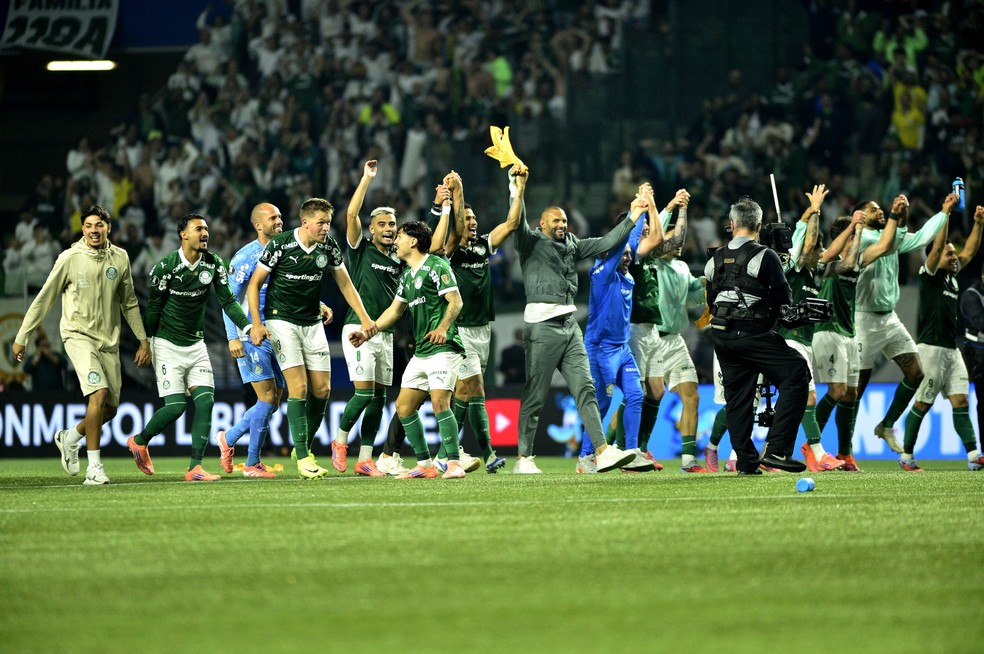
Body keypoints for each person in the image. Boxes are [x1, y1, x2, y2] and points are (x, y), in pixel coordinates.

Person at [13, 206, 151, 485]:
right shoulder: (70, 258)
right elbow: (44, 298)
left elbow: (130, 302)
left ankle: (71, 436)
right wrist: (22, 336)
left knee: (109, 409)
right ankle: (94, 469)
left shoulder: (120, 258)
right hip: (78, 336)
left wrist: (142, 339)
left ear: (108, 228)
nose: (93, 230)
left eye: (99, 224)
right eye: (88, 225)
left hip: (108, 342)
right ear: (83, 229)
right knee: (98, 394)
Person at [248, 198, 377, 479]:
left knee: (322, 391)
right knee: (300, 388)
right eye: (321, 223)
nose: (325, 228)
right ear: (305, 222)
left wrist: (365, 317)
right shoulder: (281, 244)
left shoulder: (328, 246)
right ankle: (304, 457)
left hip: (311, 321)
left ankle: (301, 445)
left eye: (328, 223)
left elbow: (344, 282)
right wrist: (256, 323)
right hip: (281, 319)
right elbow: (254, 283)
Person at [513, 197, 641, 474]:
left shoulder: (573, 245)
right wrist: (518, 190)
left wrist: (634, 215)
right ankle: (524, 458)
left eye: (564, 221)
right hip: (542, 326)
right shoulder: (529, 243)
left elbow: (608, 242)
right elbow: (516, 222)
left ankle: (601, 451)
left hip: (570, 327)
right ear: (542, 223)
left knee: (586, 390)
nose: (562, 224)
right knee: (535, 395)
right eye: (556, 221)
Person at [126, 214, 250, 482]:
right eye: (198, 229)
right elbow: (154, 308)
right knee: (176, 407)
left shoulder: (213, 264)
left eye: (206, 228)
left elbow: (228, 301)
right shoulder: (165, 268)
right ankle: (139, 441)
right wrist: (145, 342)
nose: (205, 233)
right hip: (167, 345)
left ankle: (195, 467)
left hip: (196, 344)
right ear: (183, 234)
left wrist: (247, 327)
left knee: (206, 401)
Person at [349, 219, 467, 479]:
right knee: (403, 407)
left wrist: (444, 327)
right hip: (422, 352)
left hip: (443, 347)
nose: (397, 240)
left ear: (413, 241)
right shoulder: (407, 275)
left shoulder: (437, 265)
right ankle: (425, 465)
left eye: (400, 235)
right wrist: (368, 332)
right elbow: (394, 311)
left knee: (439, 401)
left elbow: (455, 301)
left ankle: (454, 464)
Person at [433, 166, 529, 474]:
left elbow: (512, 223)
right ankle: (477, 454)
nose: (472, 224)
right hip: (460, 330)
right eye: (468, 219)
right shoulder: (453, 251)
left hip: (482, 330)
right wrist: (459, 192)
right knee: (471, 390)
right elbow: (457, 229)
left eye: (475, 220)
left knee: (470, 392)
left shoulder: (483, 246)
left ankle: (452, 452)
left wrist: (518, 188)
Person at [704, 197, 809, 474]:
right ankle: (777, 451)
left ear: (731, 225)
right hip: (753, 333)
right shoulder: (766, 255)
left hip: (722, 336)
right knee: (796, 373)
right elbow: (784, 298)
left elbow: (711, 299)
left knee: (737, 399)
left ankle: (747, 463)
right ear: (759, 226)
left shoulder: (713, 259)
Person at [577, 186, 666, 474]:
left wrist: (644, 206)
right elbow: (622, 243)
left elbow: (635, 244)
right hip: (600, 347)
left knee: (636, 395)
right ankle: (586, 456)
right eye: (624, 254)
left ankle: (633, 451)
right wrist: (636, 211)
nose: (628, 257)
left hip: (622, 347)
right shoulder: (602, 273)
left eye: (630, 254)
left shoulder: (627, 274)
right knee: (601, 403)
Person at [854, 193, 950, 451]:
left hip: (889, 318)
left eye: (880, 208)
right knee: (856, 388)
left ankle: (886, 425)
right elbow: (887, 242)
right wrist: (898, 215)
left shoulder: (890, 236)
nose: (880, 211)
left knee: (916, 372)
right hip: (863, 319)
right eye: (874, 210)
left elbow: (919, 238)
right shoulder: (861, 238)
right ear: (861, 216)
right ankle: (842, 449)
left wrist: (944, 212)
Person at [900, 204, 984, 471]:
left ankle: (973, 456)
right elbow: (936, 249)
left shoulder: (952, 278)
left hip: (951, 350)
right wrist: (945, 215)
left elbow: (969, 251)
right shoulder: (931, 275)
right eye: (949, 253)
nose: (954, 256)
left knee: (961, 400)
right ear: (935, 258)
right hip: (931, 349)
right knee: (923, 403)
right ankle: (906, 456)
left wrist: (979, 223)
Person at [333, 160, 402, 477]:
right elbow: (350, 215)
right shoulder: (360, 249)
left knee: (379, 398)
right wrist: (365, 179)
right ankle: (340, 441)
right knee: (363, 392)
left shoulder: (399, 259)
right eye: (383, 224)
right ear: (371, 229)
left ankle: (365, 458)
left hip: (385, 335)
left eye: (393, 225)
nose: (389, 229)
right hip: (357, 329)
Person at [217, 202, 287, 479]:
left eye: (280, 216)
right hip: (252, 334)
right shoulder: (245, 257)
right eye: (273, 217)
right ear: (259, 225)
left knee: (274, 400)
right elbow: (228, 299)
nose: (279, 221)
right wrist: (233, 337)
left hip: (281, 331)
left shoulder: (285, 250)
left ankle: (228, 439)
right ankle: (252, 462)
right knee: (267, 398)